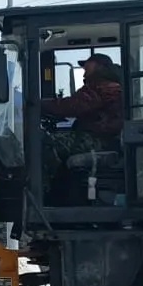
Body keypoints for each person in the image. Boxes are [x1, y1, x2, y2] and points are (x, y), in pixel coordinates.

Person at [40, 53, 123, 197]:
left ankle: (49, 192)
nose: (84, 69)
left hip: (98, 139)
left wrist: (40, 105)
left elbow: (74, 105)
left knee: (44, 143)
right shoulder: (106, 84)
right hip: (101, 136)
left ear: (100, 66)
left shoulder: (102, 86)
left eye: (88, 64)